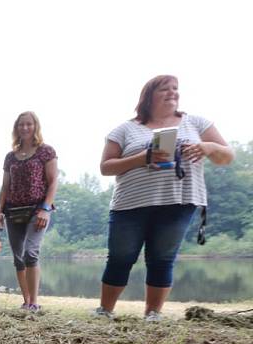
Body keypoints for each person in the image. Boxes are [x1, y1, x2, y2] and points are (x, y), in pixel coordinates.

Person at [92, 75, 234, 322]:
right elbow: (106, 167)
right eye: (165, 89)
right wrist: (144, 157)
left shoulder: (197, 123)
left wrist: (208, 148)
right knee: (121, 256)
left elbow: (227, 156)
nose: (172, 93)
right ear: (148, 96)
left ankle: (153, 314)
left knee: (162, 257)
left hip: (179, 201)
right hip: (130, 203)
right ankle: (105, 310)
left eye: (175, 89)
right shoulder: (125, 129)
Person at [0, 111, 58, 312]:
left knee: (30, 252)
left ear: (35, 126)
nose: (25, 127)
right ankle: (26, 300)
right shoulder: (10, 157)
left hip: (37, 210)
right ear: (16, 128)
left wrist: (46, 208)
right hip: (14, 211)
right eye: (21, 124)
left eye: (29, 124)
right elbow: (5, 186)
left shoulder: (45, 151)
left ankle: (34, 302)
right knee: (18, 257)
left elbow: (53, 181)